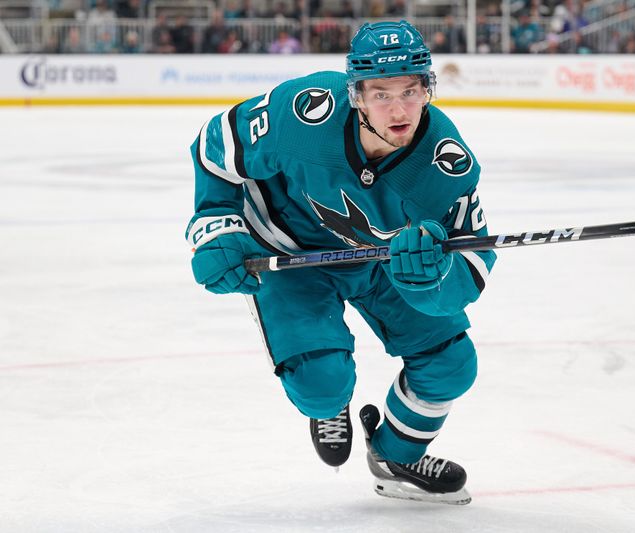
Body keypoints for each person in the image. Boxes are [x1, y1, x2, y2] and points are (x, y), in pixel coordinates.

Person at [185, 20, 495, 505]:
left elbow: (472, 267)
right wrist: (217, 227)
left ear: (428, 89)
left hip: (383, 260)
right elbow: (214, 148)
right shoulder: (302, 113)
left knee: (451, 363)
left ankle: (397, 456)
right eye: (381, 94)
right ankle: (330, 402)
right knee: (321, 386)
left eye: (411, 91)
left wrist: (431, 279)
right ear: (356, 94)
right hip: (288, 257)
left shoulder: (446, 164)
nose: (399, 110)